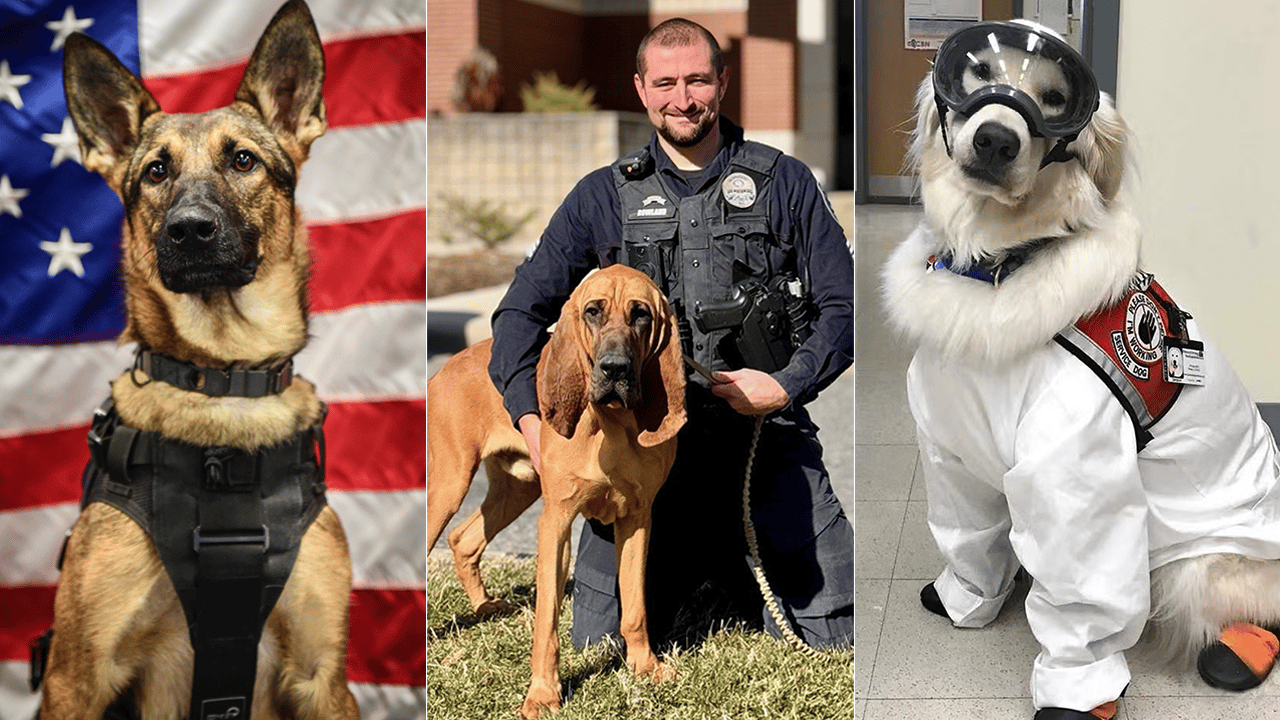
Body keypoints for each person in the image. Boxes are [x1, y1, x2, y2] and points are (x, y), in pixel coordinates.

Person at [488, 17, 855, 651]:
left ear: (723, 81)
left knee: (834, 633)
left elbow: (845, 308)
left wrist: (787, 384)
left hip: (761, 444)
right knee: (598, 646)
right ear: (640, 88)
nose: (681, 99)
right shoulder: (601, 197)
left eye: (696, 80)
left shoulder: (786, 183)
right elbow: (518, 316)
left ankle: (738, 578)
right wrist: (531, 419)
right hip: (639, 446)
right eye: (665, 83)